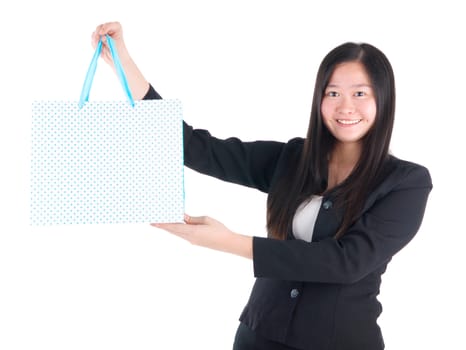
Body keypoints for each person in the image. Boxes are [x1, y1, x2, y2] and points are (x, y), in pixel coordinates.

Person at [92, 22, 432, 350]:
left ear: (383, 100)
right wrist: (124, 63)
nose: (346, 106)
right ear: (319, 99)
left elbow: (345, 263)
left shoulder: (406, 183)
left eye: (360, 93)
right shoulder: (292, 158)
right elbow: (195, 147)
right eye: (333, 93)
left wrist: (229, 242)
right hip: (258, 336)